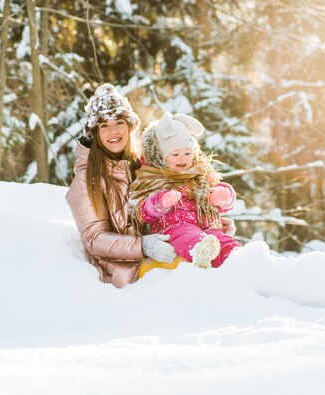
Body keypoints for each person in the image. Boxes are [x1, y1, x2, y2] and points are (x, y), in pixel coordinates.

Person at [65, 83, 178, 288]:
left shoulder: (142, 165)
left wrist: (204, 221)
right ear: (95, 134)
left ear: (129, 126)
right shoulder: (86, 179)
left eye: (119, 122)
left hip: (158, 256)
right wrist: (143, 245)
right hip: (124, 274)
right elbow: (94, 238)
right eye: (104, 126)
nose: (113, 131)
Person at [129, 112, 241, 269]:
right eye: (175, 154)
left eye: (187, 153)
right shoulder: (151, 178)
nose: (182, 158)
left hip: (207, 226)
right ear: (160, 157)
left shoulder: (200, 175)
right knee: (187, 234)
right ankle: (199, 252)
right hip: (173, 228)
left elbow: (224, 206)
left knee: (220, 238)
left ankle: (237, 257)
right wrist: (159, 203)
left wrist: (224, 195)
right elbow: (140, 212)